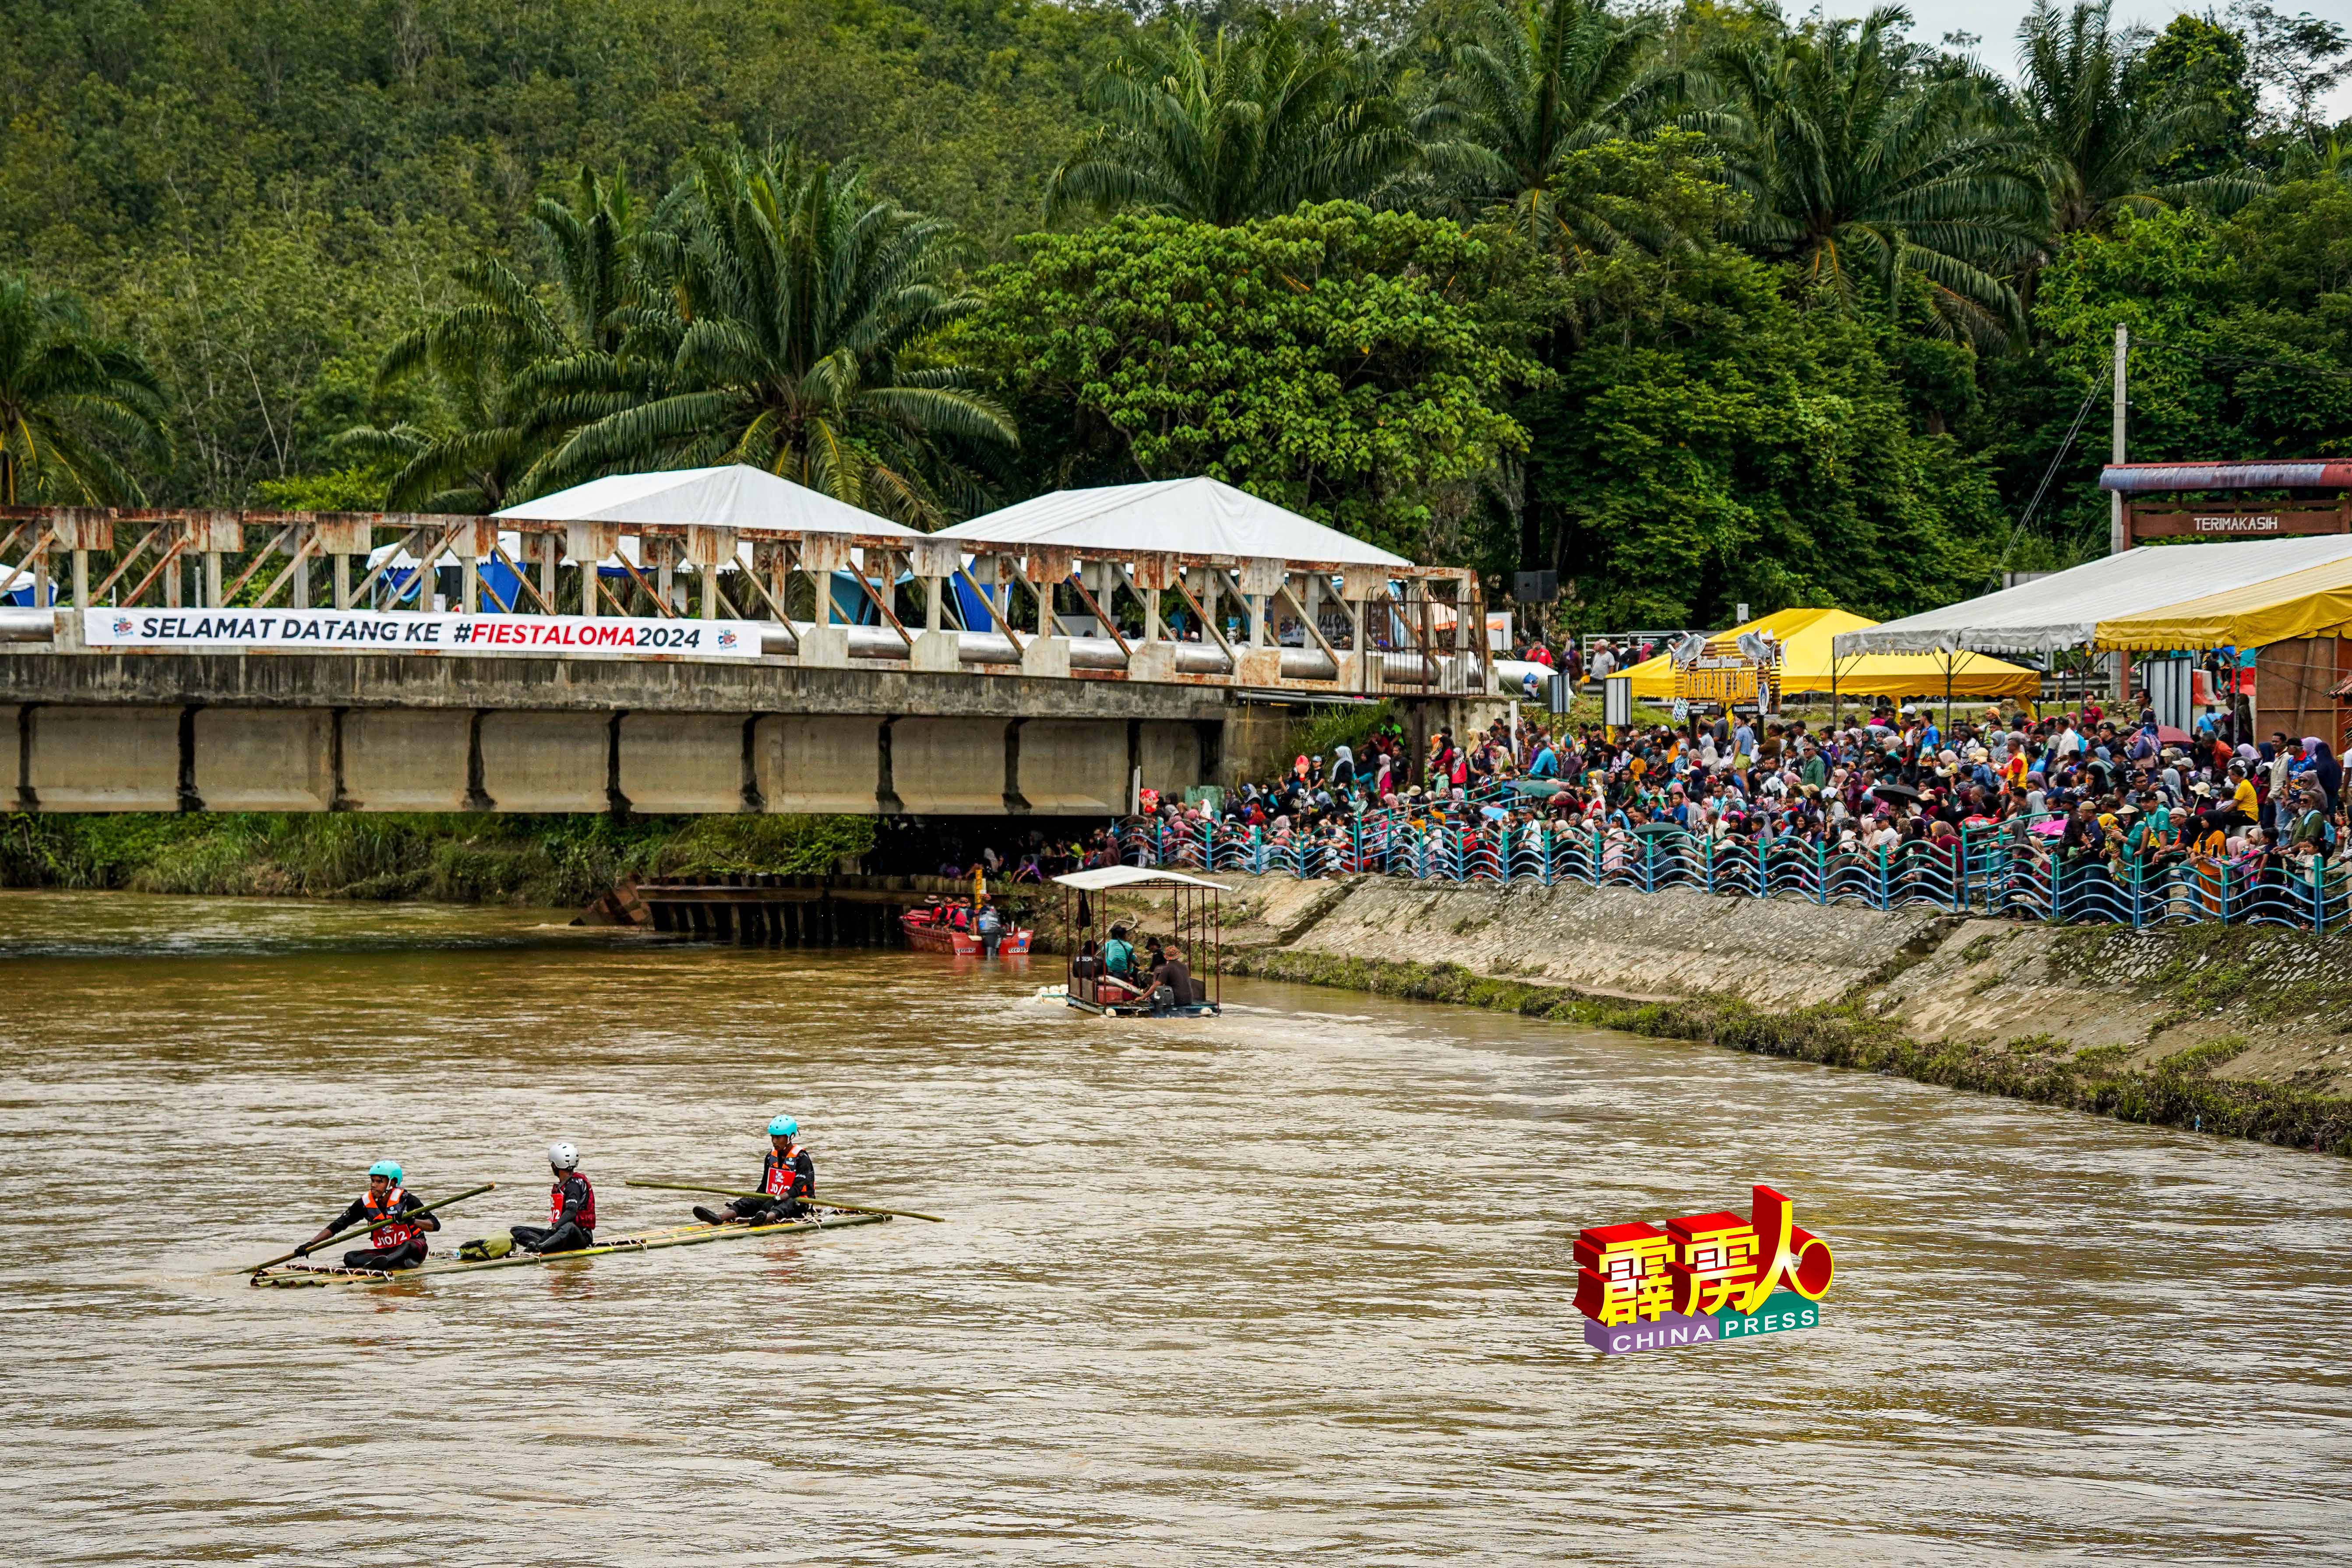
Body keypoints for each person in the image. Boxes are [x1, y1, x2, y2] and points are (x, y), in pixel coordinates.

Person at [298, 1159, 438, 1270]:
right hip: (387, 1252)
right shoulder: (364, 1204)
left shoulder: (407, 1200)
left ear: (392, 1183)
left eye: (379, 1182)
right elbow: (338, 1225)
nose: (373, 1185)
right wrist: (310, 1244)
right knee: (350, 1257)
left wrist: (411, 1220)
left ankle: (388, 1263)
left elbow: (435, 1225)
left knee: (410, 1246)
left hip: (414, 1250)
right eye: (372, 1181)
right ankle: (389, 1263)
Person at [695, 1116, 817, 1226]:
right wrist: (755, 1201)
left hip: (798, 1202)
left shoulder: (802, 1159)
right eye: (772, 1137)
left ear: (790, 1137)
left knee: (788, 1204)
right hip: (773, 1199)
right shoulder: (770, 1157)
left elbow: (797, 1190)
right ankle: (720, 1218)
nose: (774, 1141)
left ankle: (764, 1219)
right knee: (747, 1202)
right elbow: (765, 1186)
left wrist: (776, 1199)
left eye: (778, 1137)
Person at [510, 1142, 595, 1255]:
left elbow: (572, 1212)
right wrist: (552, 1232)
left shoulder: (574, 1185)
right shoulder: (563, 1185)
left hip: (579, 1236)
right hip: (561, 1232)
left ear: (555, 1165)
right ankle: (543, 1244)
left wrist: (554, 1229)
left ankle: (540, 1247)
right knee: (517, 1231)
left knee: (568, 1227)